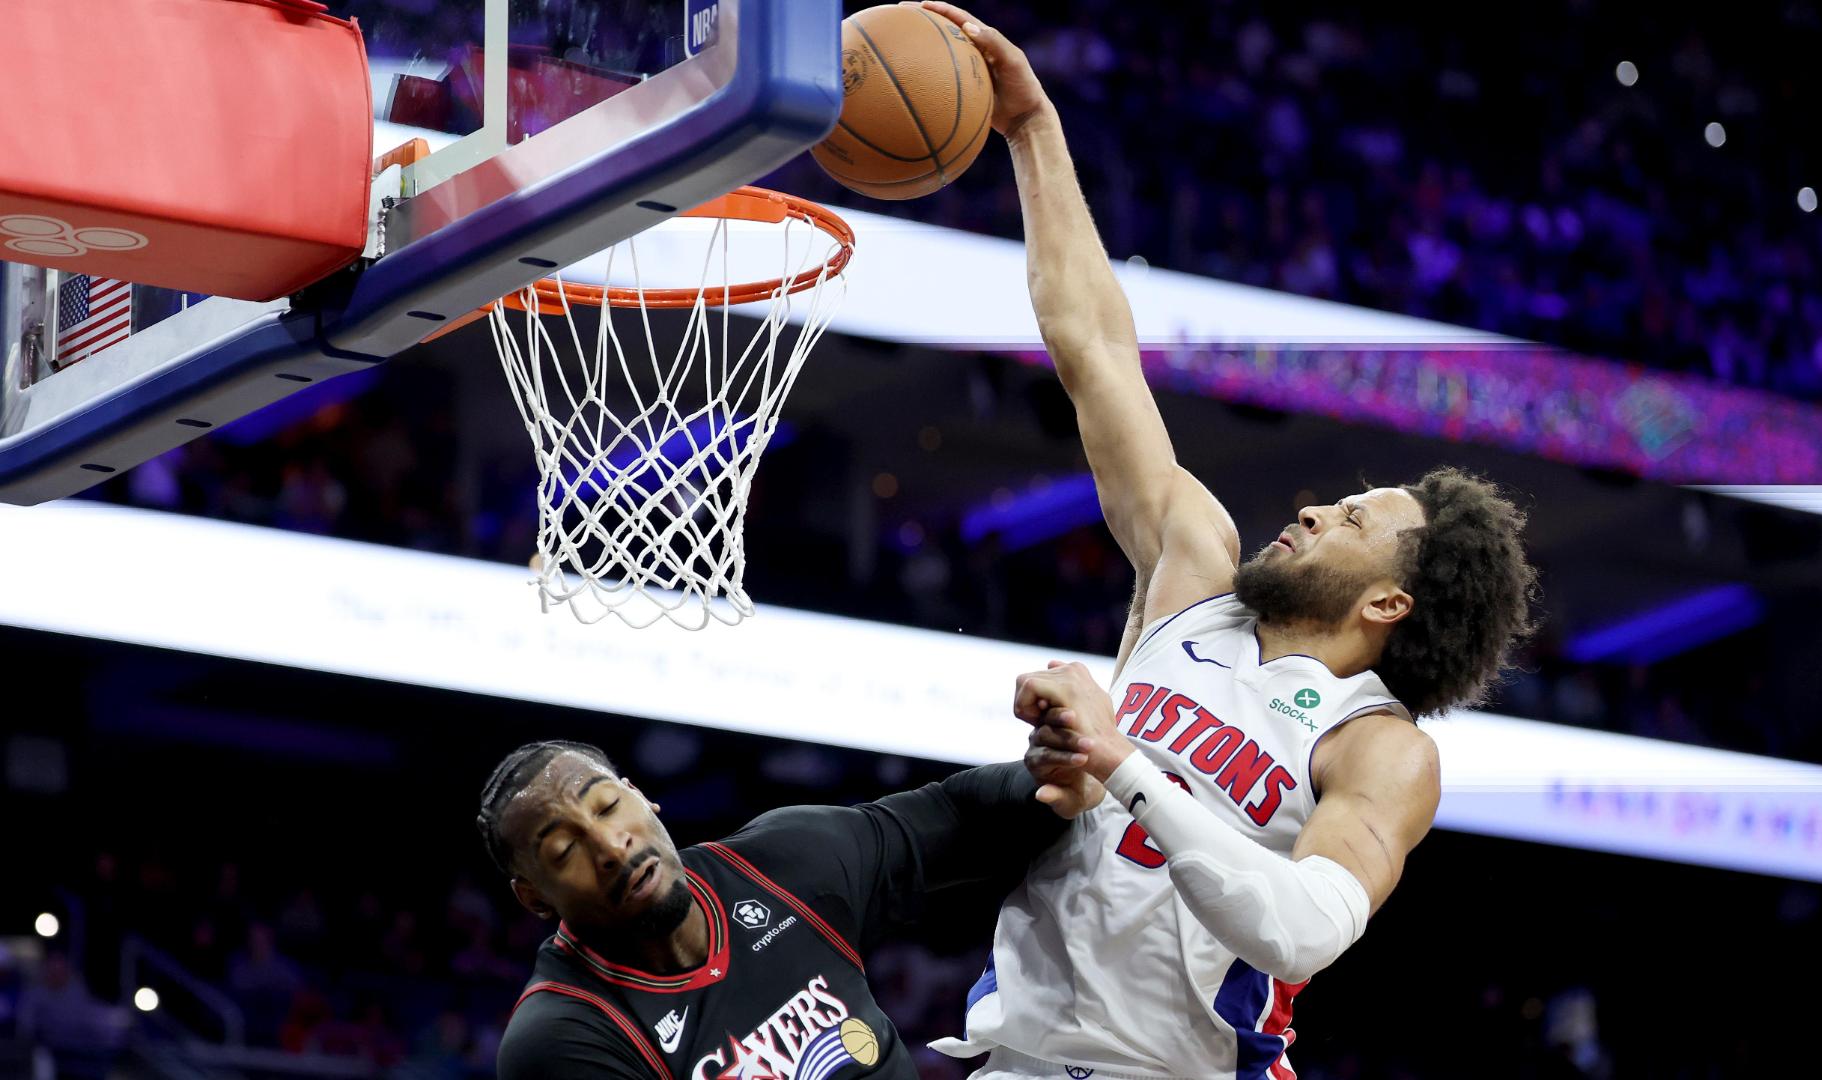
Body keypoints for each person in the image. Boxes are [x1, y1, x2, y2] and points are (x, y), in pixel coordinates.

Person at [913, 4, 1541, 1078]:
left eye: (1354, 520)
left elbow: (1300, 929)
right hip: (1010, 1059)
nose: (1312, 512)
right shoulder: (1193, 566)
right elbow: (1093, 342)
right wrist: (1031, 131)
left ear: (1389, 603)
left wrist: (1123, 767)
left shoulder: (1380, 749)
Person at [480, 740, 1070, 1080]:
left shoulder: (781, 862)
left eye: (608, 807)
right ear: (533, 897)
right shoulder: (561, 1040)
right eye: (564, 851)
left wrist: (1062, 765)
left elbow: (957, 816)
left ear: (641, 797)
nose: (609, 847)